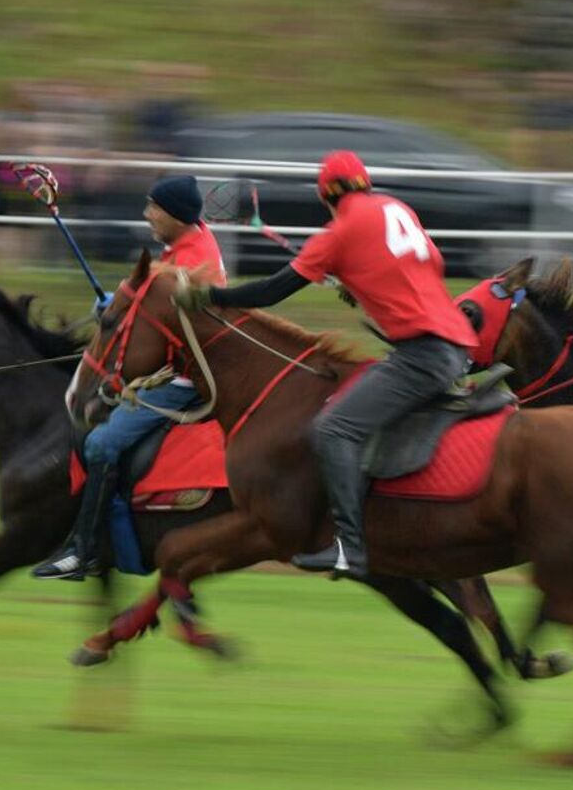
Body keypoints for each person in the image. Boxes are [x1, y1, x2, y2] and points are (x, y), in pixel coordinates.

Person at [177, 151, 477, 582]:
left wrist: (211, 297)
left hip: (422, 356)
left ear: (327, 197)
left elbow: (271, 292)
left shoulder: (338, 232)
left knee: (333, 427)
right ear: (365, 184)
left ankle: (349, 549)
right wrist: (363, 280)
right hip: (457, 348)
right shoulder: (398, 208)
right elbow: (427, 267)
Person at [33, 174, 226, 581]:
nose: (147, 214)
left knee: (102, 443)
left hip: (182, 382)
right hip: (174, 370)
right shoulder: (189, 244)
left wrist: (120, 306)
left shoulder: (190, 263)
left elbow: (158, 320)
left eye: (154, 207)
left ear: (176, 214)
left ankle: (83, 551)